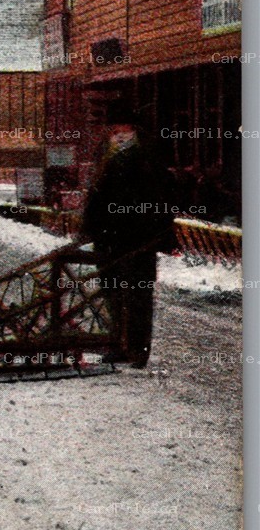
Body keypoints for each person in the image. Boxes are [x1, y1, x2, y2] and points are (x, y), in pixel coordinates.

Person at [80, 106, 177, 368]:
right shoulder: (108, 154)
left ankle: (137, 351)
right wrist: (90, 227)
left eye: (123, 129)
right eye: (114, 129)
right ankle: (119, 346)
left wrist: (156, 234)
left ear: (134, 130)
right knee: (114, 294)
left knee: (136, 297)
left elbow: (161, 200)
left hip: (136, 241)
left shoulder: (145, 158)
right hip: (110, 240)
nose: (118, 134)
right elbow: (97, 197)